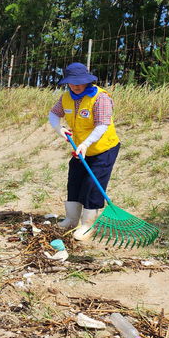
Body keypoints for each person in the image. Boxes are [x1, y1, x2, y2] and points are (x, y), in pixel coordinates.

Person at [48, 62, 120, 241]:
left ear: (87, 80)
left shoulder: (100, 98)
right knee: (74, 181)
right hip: (80, 149)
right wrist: (59, 129)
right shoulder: (66, 97)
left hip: (103, 149)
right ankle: (71, 220)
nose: (76, 86)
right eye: (72, 82)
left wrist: (87, 143)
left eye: (79, 82)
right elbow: (53, 114)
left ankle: (88, 225)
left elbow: (102, 124)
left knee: (91, 185)